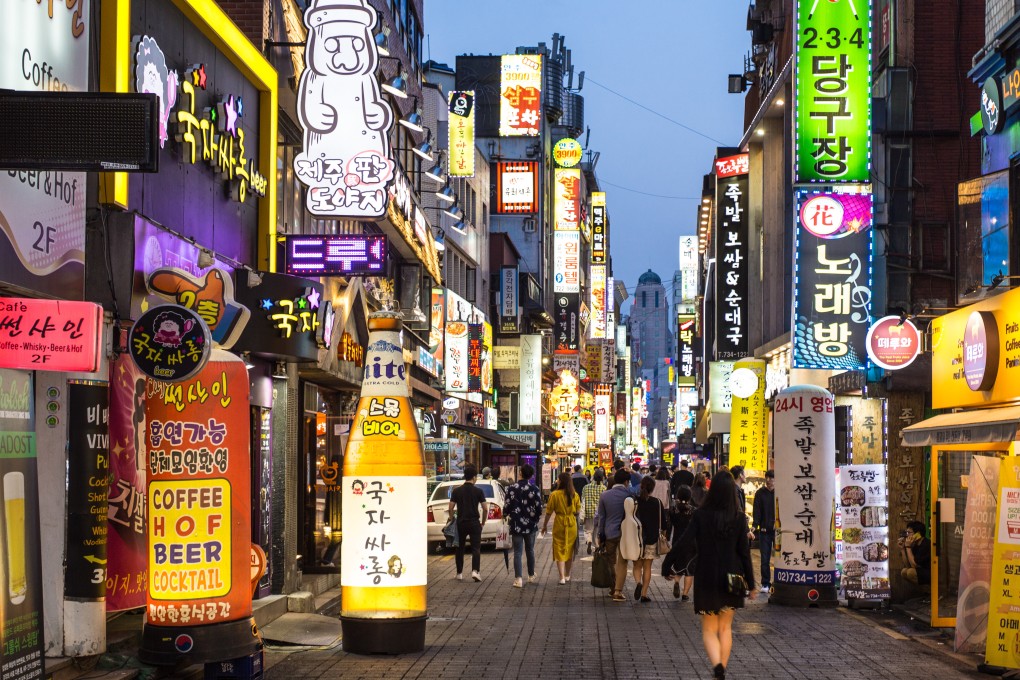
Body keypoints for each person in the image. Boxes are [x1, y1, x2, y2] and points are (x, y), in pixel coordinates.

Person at [679, 471, 755, 680]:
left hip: (707, 577)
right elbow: (744, 553)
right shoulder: (739, 518)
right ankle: (722, 666)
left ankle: (717, 668)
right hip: (734, 578)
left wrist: (670, 565)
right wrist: (752, 583)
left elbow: (685, 542)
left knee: (709, 629)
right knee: (725, 627)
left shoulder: (701, 515)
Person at [595, 469, 635, 602]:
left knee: (611, 561)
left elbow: (602, 517)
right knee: (622, 562)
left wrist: (600, 534)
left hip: (609, 532)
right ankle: (618, 590)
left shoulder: (605, 495)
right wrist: (634, 472)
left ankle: (613, 588)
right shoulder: (630, 494)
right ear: (626, 481)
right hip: (626, 533)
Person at [503, 464, 544, 588]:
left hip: (516, 524)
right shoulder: (534, 488)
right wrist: (535, 520)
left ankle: (518, 579)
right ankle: (531, 575)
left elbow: (507, 506)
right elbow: (539, 508)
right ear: (531, 475)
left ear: (520, 473)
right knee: (530, 550)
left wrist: (506, 515)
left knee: (517, 552)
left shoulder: (511, 488)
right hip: (530, 525)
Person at [448, 465, 488, 582]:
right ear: (474, 477)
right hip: (475, 523)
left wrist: (452, 519)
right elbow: (485, 508)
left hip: (461, 523)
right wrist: (483, 522)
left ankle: (459, 573)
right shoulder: (478, 491)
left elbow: (450, 507)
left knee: (459, 548)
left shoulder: (456, 491)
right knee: (476, 548)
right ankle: (475, 571)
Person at [542, 471, 582, 584]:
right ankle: (568, 575)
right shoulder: (574, 494)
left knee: (559, 549)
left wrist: (544, 526)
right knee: (570, 549)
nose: (557, 481)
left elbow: (548, 512)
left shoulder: (554, 494)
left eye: (558, 479)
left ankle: (562, 577)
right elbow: (578, 510)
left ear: (561, 481)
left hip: (559, 523)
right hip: (571, 524)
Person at [633, 476, 667, 602]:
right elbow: (664, 524)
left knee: (637, 565)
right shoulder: (657, 502)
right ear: (653, 488)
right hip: (652, 539)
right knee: (647, 566)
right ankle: (644, 594)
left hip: (636, 538)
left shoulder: (634, 501)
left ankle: (637, 583)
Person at [663, 484, 697, 601]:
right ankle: (685, 593)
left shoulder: (673, 510)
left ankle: (676, 581)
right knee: (689, 569)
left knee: (678, 565)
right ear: (689, 497)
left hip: (677, 540)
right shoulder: (693, 511)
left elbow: (668, 526)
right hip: (691, 543)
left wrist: (667, 539)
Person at [752, 470, 776, 592]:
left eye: (771, 478)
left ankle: (777, 582)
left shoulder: (779, 493)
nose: (768, 480)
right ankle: (765, 583)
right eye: (767, 478)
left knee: (780, 558)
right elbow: (757, 510)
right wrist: (755, 525)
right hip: (764, 531)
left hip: (778, 531)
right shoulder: (760, 493)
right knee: (764, 558)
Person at [581, 468, 607, 552]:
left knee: (587, 530)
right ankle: (596, 546)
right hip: (599, 513)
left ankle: (588, 541)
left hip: (588, 512)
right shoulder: (603, 488)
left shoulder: (586, 487)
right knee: (596, 531)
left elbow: (583, 499)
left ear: (593, 477)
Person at [898, 520, 931, 586]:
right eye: (906, 533)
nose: (907, 536)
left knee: (911, 572)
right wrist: (902, 549)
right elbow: (908, 565)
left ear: (918, 534)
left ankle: (929, 590)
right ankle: (924, 590)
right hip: (921, 572)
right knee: (904, 571)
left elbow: (914, 566)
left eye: (909, 533)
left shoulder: (926, 544)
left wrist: (908, 547)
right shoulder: (915, 544)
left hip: (931, 573)